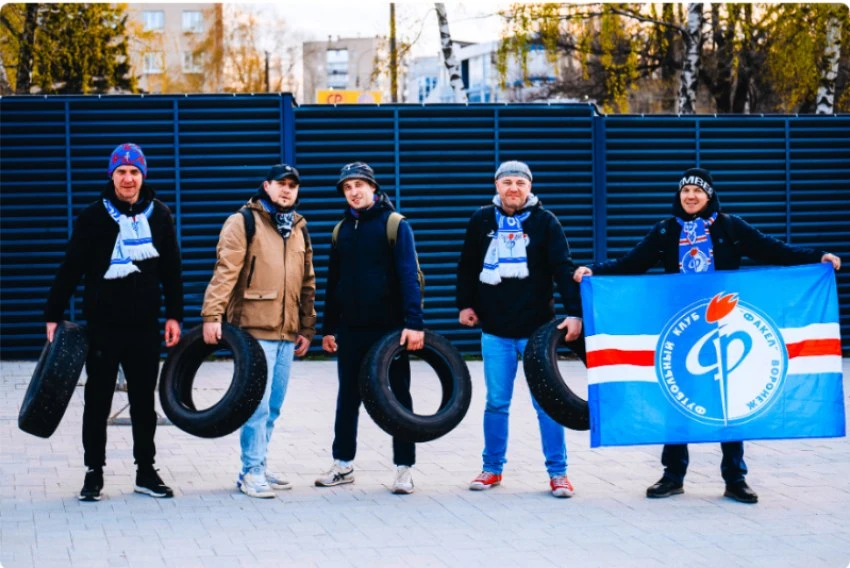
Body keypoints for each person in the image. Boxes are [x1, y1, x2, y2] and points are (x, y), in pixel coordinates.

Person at [573, 166, 842, 504]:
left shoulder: (730, 226)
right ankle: (673, 476)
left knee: (729, 400)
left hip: (725, 326)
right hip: (680, 327)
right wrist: (594, 271)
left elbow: (772, 249)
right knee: (677, 397)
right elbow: (632, 263)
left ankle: (735, 478)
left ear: (709, 195)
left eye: (697, 191)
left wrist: (817, 258)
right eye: (685, 190)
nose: (691, 196)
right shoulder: (666, 230)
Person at [44, 143, 184, 502]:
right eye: (121, 171)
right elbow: (71, 266)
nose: (128, 178)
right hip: (103, 327)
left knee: (143, 402)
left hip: (144, 327)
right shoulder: (93, 216)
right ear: (112, 175)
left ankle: (145, 471)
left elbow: (171, 269)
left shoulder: (160, 215)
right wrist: (53, 314)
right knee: (97, 401)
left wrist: (174, 315)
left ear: (143, 176)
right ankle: (93, 472)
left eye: (134, 172)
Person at [456, 160, 584, 498]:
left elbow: (563, 269)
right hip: (495, 331)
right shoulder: (481, 220)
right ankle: (492, 468)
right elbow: (467, 265)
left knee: (547, 405)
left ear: (530, 186)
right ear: (496, 185)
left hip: (537, 332)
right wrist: (465, 305)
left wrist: (574, 313)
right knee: (497, 403)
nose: (513, 188)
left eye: (520, 182)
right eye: (507, 182)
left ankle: (558, 473)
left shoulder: (546, 222)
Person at [201, 163, 316, 499]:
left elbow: (307, 282)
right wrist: (212, 315)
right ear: (267, 186)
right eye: (281, 184)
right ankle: (251, 471)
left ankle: (259, 464)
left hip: (286, 332)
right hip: (253, 328)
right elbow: (225, 271)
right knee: (257, 405)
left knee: (274, 406)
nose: (286, 190)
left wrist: (307, 326)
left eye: (292, 185)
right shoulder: (243, 222)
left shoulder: (298, 227)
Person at [316, 161, 424, 495]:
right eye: (347, 188)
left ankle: (404, 469)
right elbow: (334, 282)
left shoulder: (395, 225)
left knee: (398, 399)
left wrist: (414, 324)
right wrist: (328, 328)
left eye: (359, 185)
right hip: (351, 329)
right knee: (347, 398)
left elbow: (409, 276)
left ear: (373, 188)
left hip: (390, 331)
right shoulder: (341, 230)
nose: (353, 192)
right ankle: (342, 464)